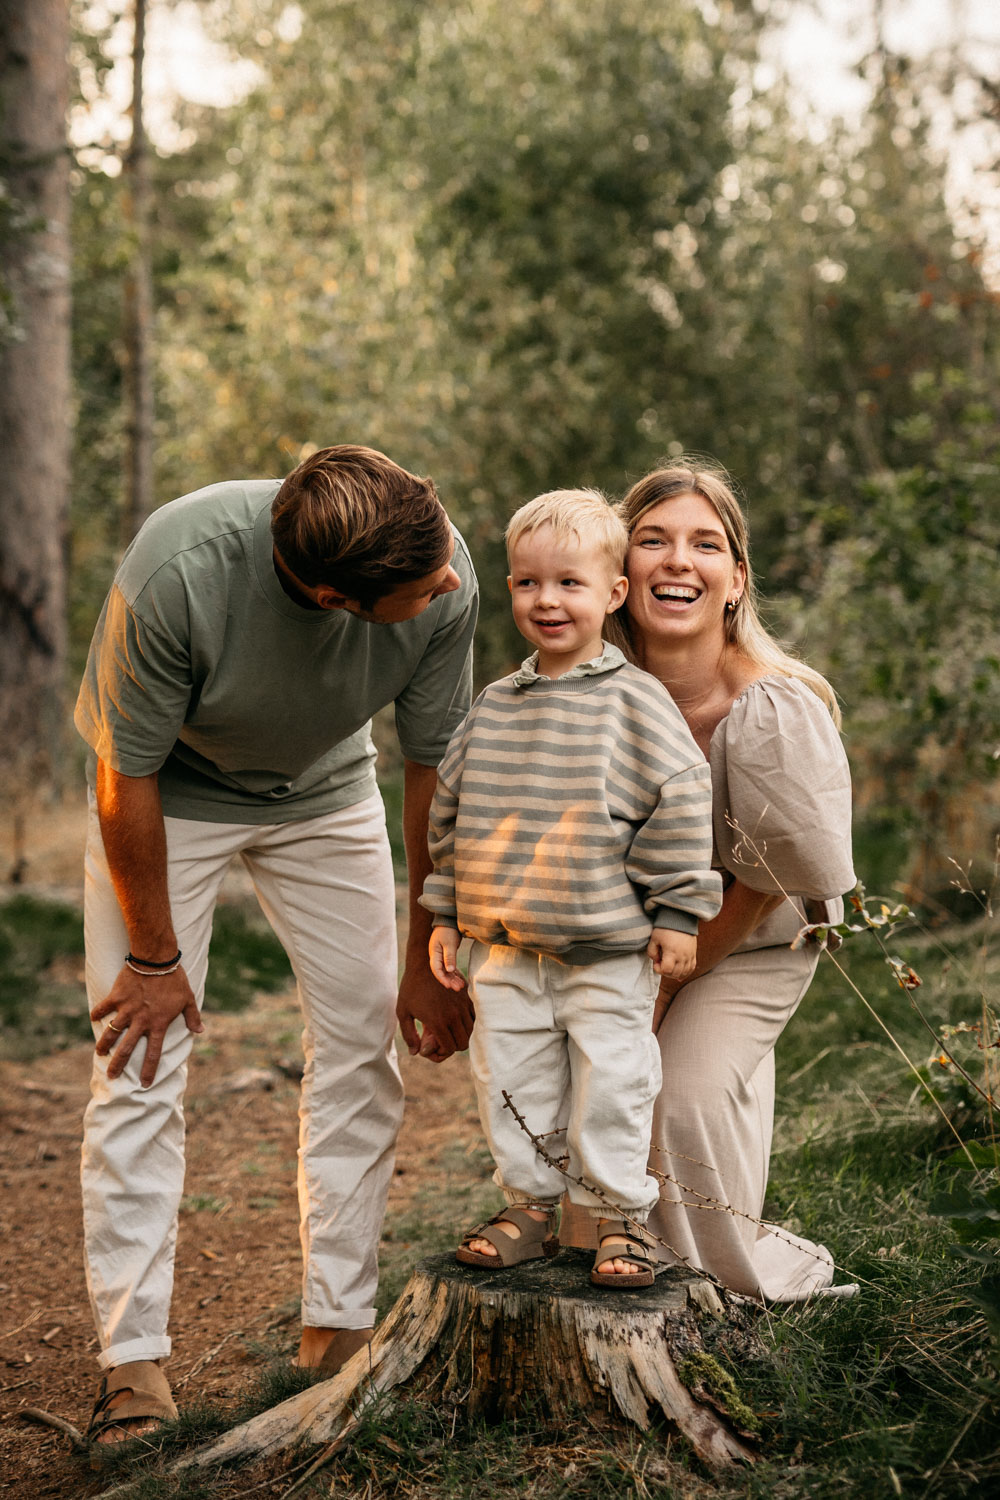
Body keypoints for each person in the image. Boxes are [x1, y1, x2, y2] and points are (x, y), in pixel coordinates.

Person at [74, 444, 479, 1442]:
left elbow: (430, 767)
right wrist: (156, 961)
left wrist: (428, 941)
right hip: (170, 800)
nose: (453, 582)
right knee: (140, 1057)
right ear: (340, 600)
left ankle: (335, 1328)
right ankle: (133, 1365)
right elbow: (124, 778)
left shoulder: (438, 559)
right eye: (426, 587)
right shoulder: (178, 569)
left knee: (362, 1045)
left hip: (325, 798)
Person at [560, 458, 856, 1301]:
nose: (677, 561)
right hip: (629, 935)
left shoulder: (772, 706)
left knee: (675, 1093)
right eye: (652, 540)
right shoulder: (587, 694)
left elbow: (766, 880)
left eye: (705, 544)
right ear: (620, 577)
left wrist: (662, 994)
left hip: (756, 937)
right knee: (574, 1074)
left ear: (735, 580)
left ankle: (710, 1287)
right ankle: (588, 1241)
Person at [420, 490, 722, 1286]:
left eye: (568, 584)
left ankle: (621, 1218)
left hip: (606, 952)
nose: (546, 601)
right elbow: (451, 818)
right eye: (527, 583)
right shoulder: (492, 708)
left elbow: (680, 802)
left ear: (613, 593)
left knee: (614, 1084)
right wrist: (445, 913)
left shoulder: (635, 704)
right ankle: (530, 1206)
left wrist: (680, 912)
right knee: (510, 1081)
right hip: (505, 948)